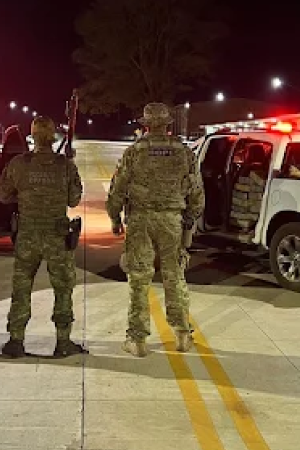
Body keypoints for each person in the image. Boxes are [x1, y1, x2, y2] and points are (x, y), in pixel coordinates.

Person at [106, 102, 205, 358]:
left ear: (145, 123)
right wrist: (190, 219)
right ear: (168, 123)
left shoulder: (134, 152)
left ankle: (137, 340)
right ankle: (182, 334)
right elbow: (196, 191)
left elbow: (118, 187)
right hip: (172, 220)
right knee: (174, 276)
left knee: (139, 279)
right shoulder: (184, 152)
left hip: (140, 219)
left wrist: (115, 217)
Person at [0, 116, 87, 358]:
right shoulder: (65, 166)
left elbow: (3, 195)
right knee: (63, 289)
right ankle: (63, 342)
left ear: (32, 135)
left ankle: (16, 341)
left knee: (21, 288)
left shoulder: (18, 164)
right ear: (53, 136)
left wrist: (26, 195)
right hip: (57, 236)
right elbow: (74, 199)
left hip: (27, 235)